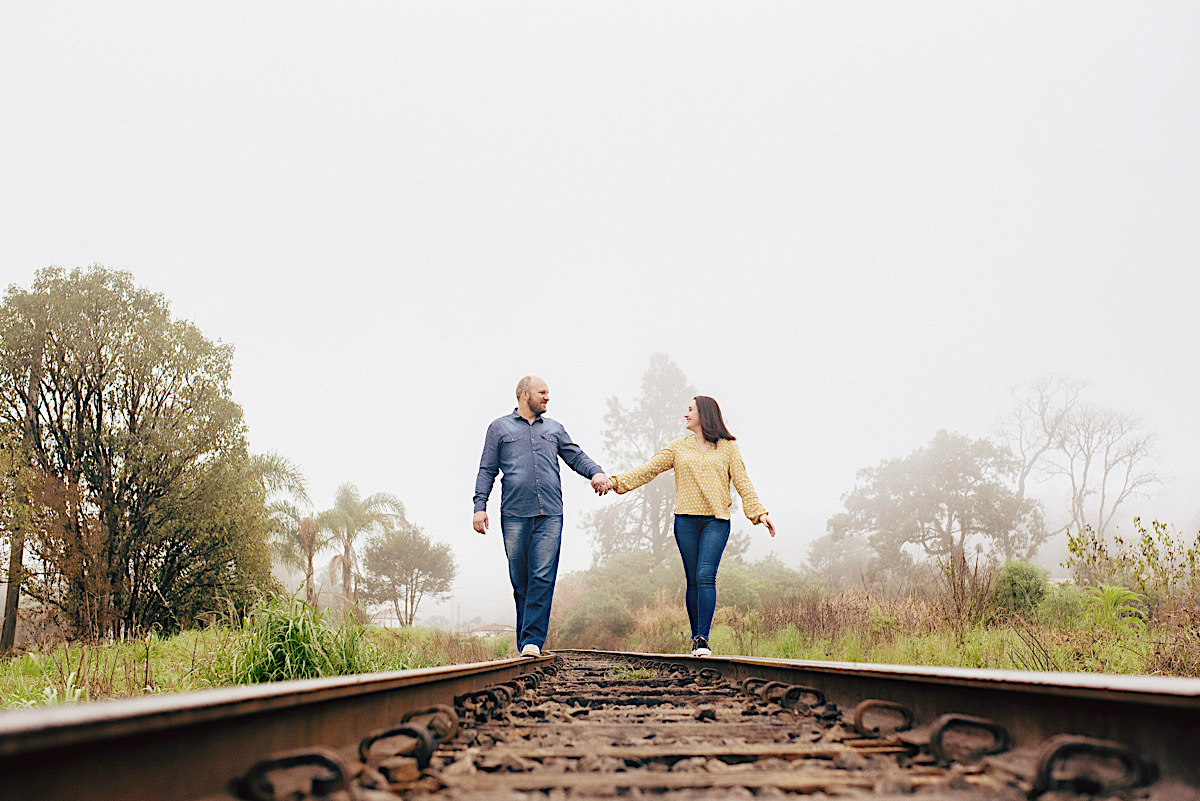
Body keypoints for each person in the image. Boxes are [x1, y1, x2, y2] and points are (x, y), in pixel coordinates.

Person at [606, 395, 774, 657]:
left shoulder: (728, 447)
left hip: (715, 521)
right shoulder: (678, 448)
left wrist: (759, 513)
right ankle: (696, 638)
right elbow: (647, 469)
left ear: (704, 414)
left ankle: (704, 639)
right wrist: (615, 482)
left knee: (706, 575)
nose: (685, 414)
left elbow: (743, 481)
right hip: (685, 520)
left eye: (690, 410)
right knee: (693, 580)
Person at [474, 375, 613, 657]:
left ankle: (532, 641)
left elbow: (575, 455)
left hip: (550, 513)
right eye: (543, 392)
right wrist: (480, 506)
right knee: (520, 579)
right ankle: (525, 640)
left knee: (542, 576)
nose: (548, 397)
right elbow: (487, 469)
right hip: (514, 514)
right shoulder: (499, 428)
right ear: (525, 395)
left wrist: (596, 472)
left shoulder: (554, 428)